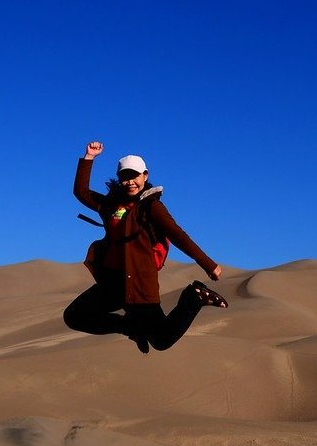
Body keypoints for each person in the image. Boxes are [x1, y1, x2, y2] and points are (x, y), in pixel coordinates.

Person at [63, 141, 228, 353]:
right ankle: (130, 327)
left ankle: (193, 297)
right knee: (75, 316)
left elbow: (176, 234)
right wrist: (89, 157)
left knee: (161, 340)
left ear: (145, 176)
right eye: (125, 177)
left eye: (135, 176)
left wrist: (208, 264)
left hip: (139, 284)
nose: (130, 182)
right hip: (113, 284)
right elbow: (81, 191)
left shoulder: (151, 206)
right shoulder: (112, 205)